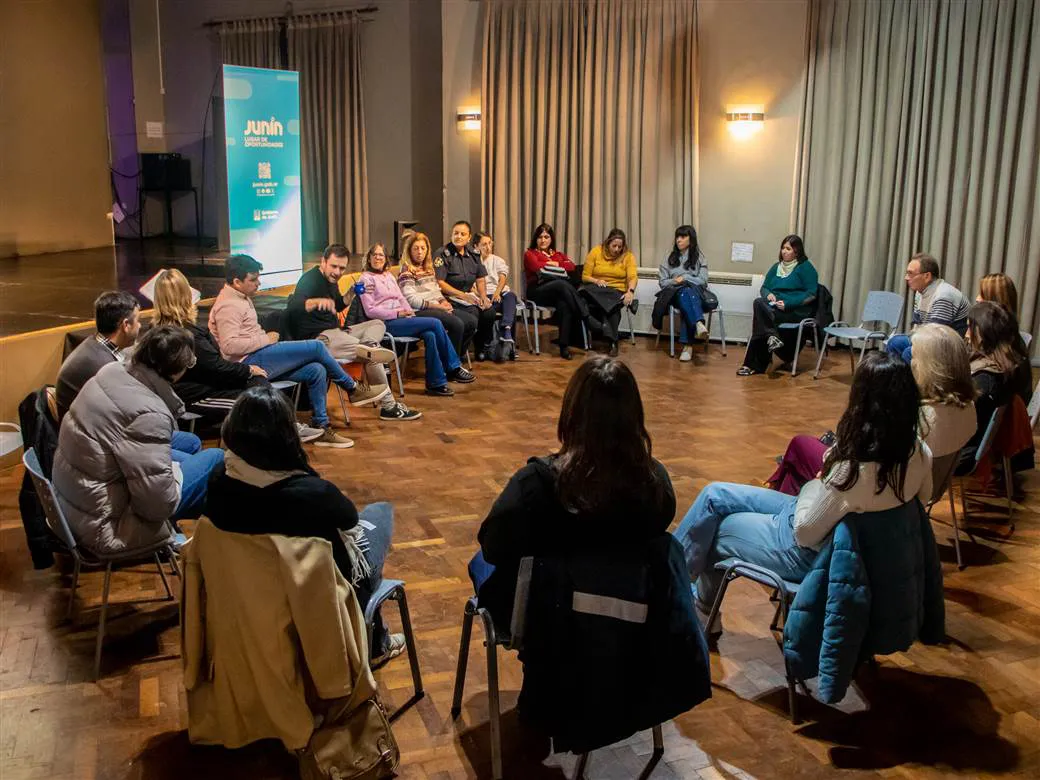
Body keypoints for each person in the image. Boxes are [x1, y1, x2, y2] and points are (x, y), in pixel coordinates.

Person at [676, 352, 932, 633]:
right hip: (819, 525)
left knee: (713, 528)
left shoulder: (855, 471)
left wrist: (817, 483)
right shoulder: (918, 452)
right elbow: (922, 501)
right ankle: (674, 583)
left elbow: (805, 533)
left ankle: (690, 607)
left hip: (804, 549)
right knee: (714, 496)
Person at [204, 384, 406, 665]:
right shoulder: (311, 493)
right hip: (317, 589)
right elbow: (348, 520)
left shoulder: (218, 480)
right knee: (379, 513)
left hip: (249, 587)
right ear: (287, 435)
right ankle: (376, 643)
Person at [472, 356, 676, 629]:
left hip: (548, 631)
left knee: (481, 562)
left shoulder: (536, 484)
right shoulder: (655, 483)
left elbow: (493, 548)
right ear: (635, 416)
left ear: (571, 412)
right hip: (630, 627)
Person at [51, 325, 225, 555]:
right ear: (177, 370)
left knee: (190, 443)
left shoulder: (111, 370)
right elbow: (157, 505)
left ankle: (202, 538)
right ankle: (211, 546)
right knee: (216, 458)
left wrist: (170, 471)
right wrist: (174, 473)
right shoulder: (149, 414)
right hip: (108, 526)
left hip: (77, 503)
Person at [767, 324, 976, 495]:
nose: (907, 360)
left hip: (881, 493)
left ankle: (785, 514)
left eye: (912, 356)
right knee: (800, 461)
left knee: (800, 446)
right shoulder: (968, 408)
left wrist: (832, 454)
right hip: (928, 490)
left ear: (928, 367)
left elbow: (860, 466)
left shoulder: (914, 420)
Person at [209, 255, 387, 449]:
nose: (258, 283)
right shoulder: (228, 305)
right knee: (318, 347)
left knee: (316, 369)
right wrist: (265, 339)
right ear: (236, 282)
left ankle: (322, 425)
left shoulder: (240, 297)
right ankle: (352, 389)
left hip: (261, 354)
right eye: (253, 279)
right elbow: (229, 347)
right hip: (250, 361)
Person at [152, 269, 321, 441]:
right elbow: (215, 366)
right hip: (199, 396)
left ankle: (290, 429)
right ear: (183, 296)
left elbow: (213, 366)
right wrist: (247, 369)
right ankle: (285, 434)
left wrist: (248, 372)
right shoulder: (184, 334)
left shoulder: (177, 331)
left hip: (212, 384)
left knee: (258, 383)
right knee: (257, 401)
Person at [286, 244, 421, 422]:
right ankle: (388, 406)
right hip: (321, 338)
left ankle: (368, 346)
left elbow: (338, 305)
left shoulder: (331, 280)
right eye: (334, 266)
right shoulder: (310, 280)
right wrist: (313, 302)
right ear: (323, 261)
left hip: (340, 333)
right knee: (371, 356)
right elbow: (293, 307)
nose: (337, 272)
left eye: (342, 268)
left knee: (377, 324)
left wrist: (351, 293)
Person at [358, 243, 476, 397]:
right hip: (384, 323)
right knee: (435, 323)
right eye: (374, 255)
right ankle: (453, 367)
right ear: (369, 258)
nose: (378, 258)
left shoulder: (388, 276)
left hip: (403, 318)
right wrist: (398, 313)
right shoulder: (365, 279)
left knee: (430, 334)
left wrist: (409, 312)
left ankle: (436, 384)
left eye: (381, 255)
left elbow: (401, 297)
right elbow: (370, 310)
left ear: (386, 258)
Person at [958, 301, 1033, 471]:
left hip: (963, 454)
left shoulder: (985, 380)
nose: (967, 334)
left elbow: (963, 424)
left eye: (970, 327)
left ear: (981, 333)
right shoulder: (1010, 362)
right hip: (978, 444)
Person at [738, 235, 819, 376]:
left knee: (761, 319)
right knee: (759, 302)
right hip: (774, 307)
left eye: (788, 249)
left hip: (795, 310)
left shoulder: (805, 267)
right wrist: (768, 294)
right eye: (783, 248)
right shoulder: (776, 267)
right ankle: (772, 336)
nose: (784, 251)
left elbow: (811, 294)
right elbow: (764, 287)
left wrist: (788, 303)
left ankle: (753, 364)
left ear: (797, 251)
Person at [56, 291, 141, 421]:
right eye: (137, 320)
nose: (140, 325)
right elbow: (130, 409)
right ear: (126, 325)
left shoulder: (94, 345)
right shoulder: (103, 366)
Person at [886, 253, 970, 363]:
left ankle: (908, 380)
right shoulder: (920, 293)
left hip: (949, 346)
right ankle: (894, 379)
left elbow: (934, 336)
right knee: (894, 342)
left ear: (927, 276)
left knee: (909, 353)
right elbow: (917, 325)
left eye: (910, 274)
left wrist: (915, 343)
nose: (906, 278)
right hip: (929, 338)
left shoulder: (943, 295)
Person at [522, 223, 590, 360]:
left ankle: (564, 346)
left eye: (546, 237)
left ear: (551, 239)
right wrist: (552, 264)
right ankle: (585, 315)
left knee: (564, 304)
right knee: (561, 283)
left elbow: (571, 266)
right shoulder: (530, 253)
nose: (543, 240)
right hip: (537, 291)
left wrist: (556, 263)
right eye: (540, 237)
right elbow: (535, 266)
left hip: (556, 293)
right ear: (535, 239)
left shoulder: (558, 255)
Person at [397, 231, 469, 356]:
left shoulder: (428, 268)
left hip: (436, 307)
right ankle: (450, 364)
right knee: (456, 324)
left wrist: (444, 302)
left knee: (470, 321)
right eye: (416, 249)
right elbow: (411, 300)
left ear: (427, 250)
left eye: (422, 248)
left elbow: (436, 291)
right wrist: (438, 307)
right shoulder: (406, 270)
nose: (419, 252)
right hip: (418, 310)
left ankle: (455, 357)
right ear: (409, 251)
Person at [434, 220, 497, 359]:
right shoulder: (442, 254)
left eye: (463, 234)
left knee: (489, 312)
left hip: (469, 297)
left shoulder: (474, 254)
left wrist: (483, 297)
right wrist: (462, 295)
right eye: (456, 233)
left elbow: (480, 278)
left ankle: (480, 348)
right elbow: (440, 283)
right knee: (473, 314)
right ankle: (458, 353)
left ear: (469, 238)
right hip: (449, 298)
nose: (458, 237)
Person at [581, 228, 638, 357]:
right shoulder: (596, 251)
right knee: (584, 291)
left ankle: (611, 339)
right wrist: (596, 280)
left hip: (616, 291)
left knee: (612, 306)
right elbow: (585, 276)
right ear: (608, 243)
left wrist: (630, 292)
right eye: (614, 246)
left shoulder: (628, 256)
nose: (617, 249)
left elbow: (632, 277)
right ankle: (613, 339)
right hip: (597, 289)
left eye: (620, 246)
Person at [658, 225, 710, 362]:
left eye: (683, 237)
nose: (678, 240)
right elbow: (663, 282)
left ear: (691, 239)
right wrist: (676, 281)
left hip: (694, 293)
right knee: (684, 293)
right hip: (674, 293)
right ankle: (698, 323)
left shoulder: (700, 258)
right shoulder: (669, 258)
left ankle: (688, 346)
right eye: (677, 237)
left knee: (687, 293)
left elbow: (703, 281)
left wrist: (686, 278)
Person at [474, 231, 519, 362]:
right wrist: (482, 296)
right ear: (476, 246)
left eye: (490, 243)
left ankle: (507, 330)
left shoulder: (497, 260)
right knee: (488, 312)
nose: (488, 247)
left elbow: (502, 277)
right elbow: (471, 284)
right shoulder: (472, 261)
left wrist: (497, 293)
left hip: (498, 293)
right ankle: (486, 346)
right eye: (484, 244)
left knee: (511, 297)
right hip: (482, 295)